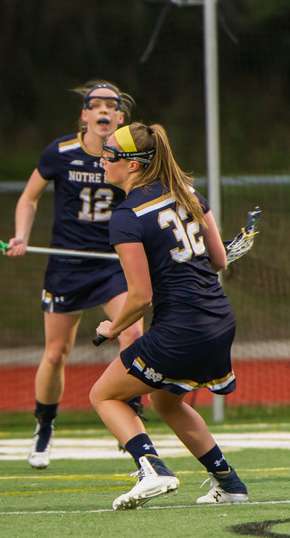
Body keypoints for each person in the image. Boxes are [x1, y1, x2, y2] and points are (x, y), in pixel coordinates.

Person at [90, 122, 248, 510]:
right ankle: (230, 484)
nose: (102, 161)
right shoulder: (188, 192)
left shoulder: (126, 216)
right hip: (218, 319)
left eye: (109, 155)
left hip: (181, 327)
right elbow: (219, 259)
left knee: (104, 394)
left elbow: (140, 296)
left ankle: (151, 468)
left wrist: (113, 326)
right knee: (165, 401)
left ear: (133, 166)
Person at [6, 81, 144, 469]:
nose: (103, 111)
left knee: (132, 331)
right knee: (56, 353)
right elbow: (28, 197)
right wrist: (21, 236)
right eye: (95, 105)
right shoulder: (61, 151)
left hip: (111, 263)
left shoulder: (128, 156)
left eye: (111, 106)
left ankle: (130, 412)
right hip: (66, 267)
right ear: (84, 115)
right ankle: (44, 427)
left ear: (120, 117)